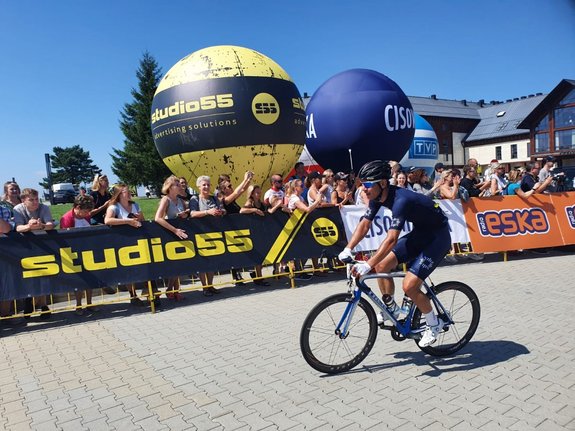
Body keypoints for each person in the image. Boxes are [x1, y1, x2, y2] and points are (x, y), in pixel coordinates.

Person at [338, 160, 451, 348]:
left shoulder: (402, 200)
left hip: (437, 238)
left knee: (409, 286)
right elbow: (365, 224)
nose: (363, 189)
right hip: (420, 232)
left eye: (367, 185)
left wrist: (367, 264)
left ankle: (434, 323)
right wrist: (348, 249)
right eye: (361, 184)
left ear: (382, 184)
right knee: (381, 266)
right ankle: (391, 307)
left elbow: (391, 240)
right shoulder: (376, 197)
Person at [104, 183, 157, 307]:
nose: (129, 194)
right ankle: (133, 295)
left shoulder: (135, 205)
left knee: (145, 266)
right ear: (119, 194)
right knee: (129, 269)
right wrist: (127, 221)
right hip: (124, 242)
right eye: (126, 192)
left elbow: (143, 220)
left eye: (129, 192)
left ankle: (150, 293)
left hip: (139, 240)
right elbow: (108, 220)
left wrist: (139, 217)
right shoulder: (114, 207)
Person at [14, 188, 56, 319]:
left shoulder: (44, 208)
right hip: (25, 246)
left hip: (42, 244)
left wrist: (41, 225)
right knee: (28, 275)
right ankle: (29, 301)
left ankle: (43, 305)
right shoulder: (18, 209)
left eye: (36, 199)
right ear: (23, 201)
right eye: (31, 200)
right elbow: (18, 227)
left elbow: (50, 224)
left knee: (42, 274)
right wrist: (29, 227)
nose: (35, 202)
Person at [60, 195, 99, 315]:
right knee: (79, 282)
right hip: (74, 253)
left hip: (87, 252)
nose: (87, 213)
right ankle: (78, 306)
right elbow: (64, 237)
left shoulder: (86, 216)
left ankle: (90, 303)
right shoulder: (66, 218)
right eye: (86, 210)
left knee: (90, 280)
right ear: (77, 207)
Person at [189, 175, 226, 296]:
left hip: (214, 232)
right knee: (203, 262)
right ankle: (204, 287)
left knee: (212, 261)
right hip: (200, 233)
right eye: (204, 185)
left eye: (208, 184)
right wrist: (207, 212)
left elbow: (221, 208)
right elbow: (193, 214)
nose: (206, 187)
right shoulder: (194, 199)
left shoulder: (214, 198)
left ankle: (210, 285)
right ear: (198, 186)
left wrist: (221, 211)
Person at [155, 175, 189, 301]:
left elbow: (185, 216)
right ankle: (170, 290)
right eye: (177, 185)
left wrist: (184, 215)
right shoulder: (166, 199)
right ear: (170, 187)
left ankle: (174, 291)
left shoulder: (180, 200)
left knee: (179, 265)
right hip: (170, 234)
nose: (180, 186)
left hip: (179, 234)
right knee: (175, 265)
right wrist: (174, 229)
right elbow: (158, 218)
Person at [286, 178, 322, 280]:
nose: (303, 187)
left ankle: (299, 270)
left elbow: (308, 207)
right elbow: (307, 209)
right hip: (295, 227)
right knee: (301, 250)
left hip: (301, 226)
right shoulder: (294, 198)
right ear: (295, 188)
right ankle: (297, 272)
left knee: (305, 249)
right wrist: (317, 201)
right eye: (301, 186)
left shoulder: (300, 197)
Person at [240, 185, 271, 286]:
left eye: (259, 192)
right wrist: (254, 210)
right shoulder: (250, 202)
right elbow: (242, 211)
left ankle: (257, 274)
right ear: (252, 194)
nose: (259, 194)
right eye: (256, 192)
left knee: (264, 254)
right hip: (253, 231)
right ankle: (258, 277)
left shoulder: (261, 203)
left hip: (262, 230)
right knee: (259, 256)